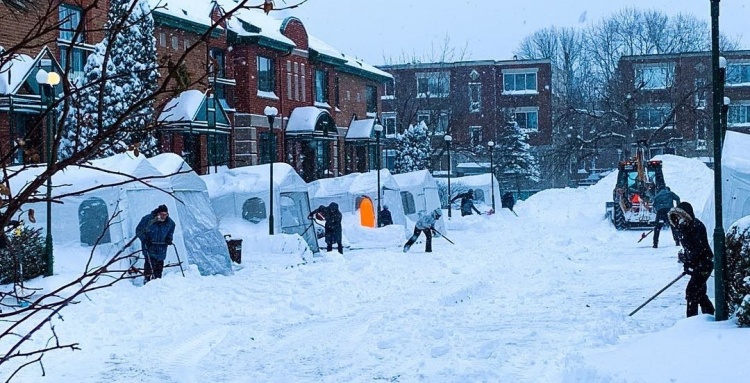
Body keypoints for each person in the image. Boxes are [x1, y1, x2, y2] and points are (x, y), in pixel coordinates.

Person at [669, 201, 715, 317]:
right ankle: (710, 314)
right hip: (696, 265)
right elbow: (688, 249)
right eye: (677, 217)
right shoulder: (682, 228)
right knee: (700, 293)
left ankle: (691, 320)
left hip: (704, 264)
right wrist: (686, 260)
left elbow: (699, 248)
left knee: (691, 292)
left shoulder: (697, 227)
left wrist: (690, 261)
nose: (678, 219)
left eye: (680, 216)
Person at [135, 204, 176, 283]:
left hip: (162, 247)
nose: (163, 216)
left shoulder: (170, 223)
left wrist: (169, 239)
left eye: (165, 214)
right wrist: (145, 239)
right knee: (149, 263)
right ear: (157, 213)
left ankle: (157, 281)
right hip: (149, 246)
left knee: (159, 265)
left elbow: (170, 231)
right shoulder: (147, 219)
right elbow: (139, 230)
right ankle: (147, 280)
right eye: (161, 214)